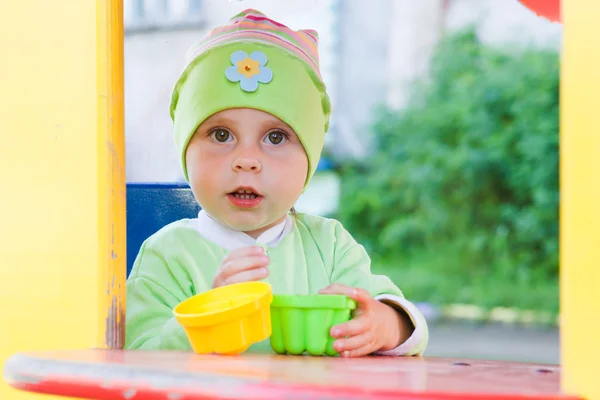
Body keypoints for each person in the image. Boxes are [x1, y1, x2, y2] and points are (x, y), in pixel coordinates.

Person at [125, 9, 428, 357]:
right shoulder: (168, 254)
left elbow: (404, 323)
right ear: (185, 149)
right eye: (221, 134)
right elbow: (138, 356)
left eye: (276, 137)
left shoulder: (329, 247)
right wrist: (207, 318)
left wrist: (386, 324)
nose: (247, 159)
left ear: (309, 161)